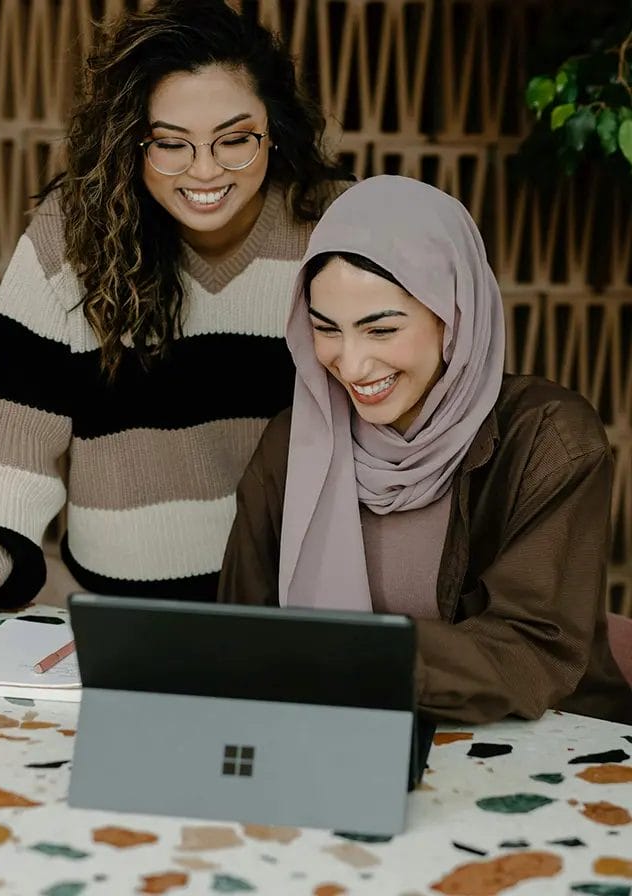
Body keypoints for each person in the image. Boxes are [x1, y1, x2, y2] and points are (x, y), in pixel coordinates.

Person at [0, 0, 350, 641]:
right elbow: (10, 429)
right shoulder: (74, 233)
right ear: (131, 140)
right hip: (121, 615)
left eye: (234, 139)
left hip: (301, 604)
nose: (204, 170)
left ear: (273, 129)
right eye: (170, 144)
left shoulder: (333, 225)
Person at [218, 175, 632, 725]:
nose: (352, 363)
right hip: (340, 739)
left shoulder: (549, 439)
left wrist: (347, 658)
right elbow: (239, 629)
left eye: (381, 330)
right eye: (326, 329)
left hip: (540, 750)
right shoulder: (293, 443)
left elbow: (533, 650)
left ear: (453, 314)